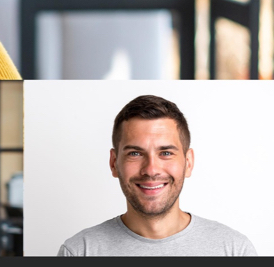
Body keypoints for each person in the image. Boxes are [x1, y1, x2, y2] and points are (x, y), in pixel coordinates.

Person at [58, 94, 256, 256]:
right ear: (114, 163)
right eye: (135, 153)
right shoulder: (79, 251)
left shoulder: (234, 250)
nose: (151, 169)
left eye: (166, 153)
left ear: (188, 163)